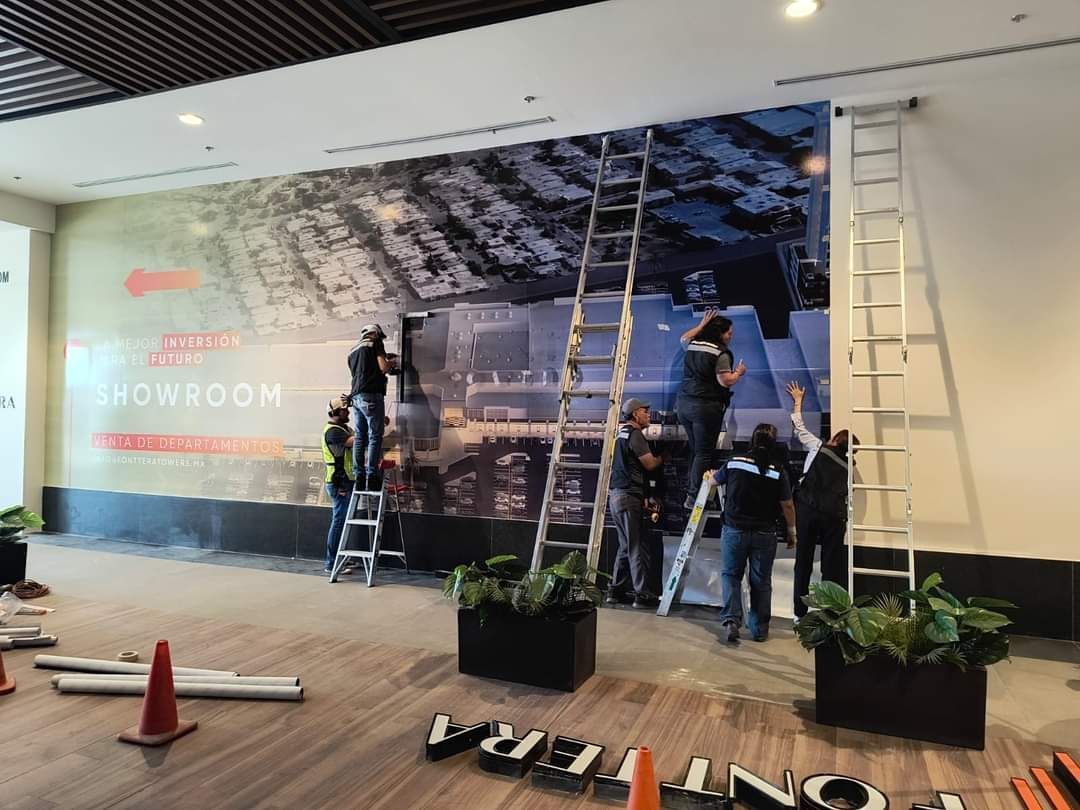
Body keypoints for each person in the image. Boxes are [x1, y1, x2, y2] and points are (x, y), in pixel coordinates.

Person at [708, 423, 796, 643]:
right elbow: (787, 505)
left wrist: (709, 475)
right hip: (764, 534)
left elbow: (714, 481)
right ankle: (759, 630)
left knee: (731, 575)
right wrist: (792, 531)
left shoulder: (735, 461)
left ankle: (731, 621)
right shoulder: (778, 470)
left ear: (752, 440)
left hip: (734, 530)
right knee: (761, 582)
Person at [786, 381, 858, 620]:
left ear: (834, 439)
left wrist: (798, 401)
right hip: (834, 517)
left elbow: (799, 428)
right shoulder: (849, 467)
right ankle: (830, 614)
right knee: (831, 566)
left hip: (807, 510)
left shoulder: (818, 447)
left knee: (803, 563)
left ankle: (799, 613)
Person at [676, 309, 747, 508]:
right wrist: (738, 372)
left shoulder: (694, 344)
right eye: (729, 333)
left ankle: (691, 492)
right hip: (705, 408)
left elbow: (683, 338)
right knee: (704, 453)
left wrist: (701, 326)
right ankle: (693, 497)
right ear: (720, 333)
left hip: (684, 405)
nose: (730, 337)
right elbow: (725, 381)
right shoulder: (720, 353)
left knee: (696, 451)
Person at [606, 398, 665, 609]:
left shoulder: (621, 434)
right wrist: (663, 457)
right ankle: (641, 594)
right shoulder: (635, 434)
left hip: (617, 497)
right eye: (645, 411)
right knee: (636, 546)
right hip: (628, 497)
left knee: (626, 545)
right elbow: (649, 464)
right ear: (634, 414)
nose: (649, 415)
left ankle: (615, 591)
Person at [348, 324, 396, 492]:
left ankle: (359, 476)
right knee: (375, 436)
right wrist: (391, 363)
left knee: (360, 437)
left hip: (356, 397)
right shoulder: (375, 343)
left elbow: (362, 371)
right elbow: (383, 367)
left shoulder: (352, 351)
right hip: (371, 395)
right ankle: (372, 476)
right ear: (375, 334)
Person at [323, 395, 356, 575]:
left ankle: (339, 557)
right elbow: (354, 441)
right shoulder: (333, 431)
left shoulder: (344, 429)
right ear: (335, 412)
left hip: (345, 481)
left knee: (342, 522)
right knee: (338, 522)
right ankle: (332, 563)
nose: (347, 412)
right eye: (344, 410)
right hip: (338, 483)